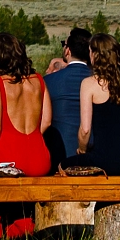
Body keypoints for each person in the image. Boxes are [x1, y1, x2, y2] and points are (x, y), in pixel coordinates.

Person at [0, 40, 54, 240]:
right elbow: (46, 121)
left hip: (9, 158)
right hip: (39, 156)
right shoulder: (38, 80)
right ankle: (23, 232)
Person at [77, 42, 120, 177]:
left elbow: (85, 130)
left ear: (96, 55)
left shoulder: (89, 83)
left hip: (104, 159)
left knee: (64, 165)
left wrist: (82, 150)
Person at [43, 30, 95, 172]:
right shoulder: (100, 82)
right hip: (94, 154)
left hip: (59, 153)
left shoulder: (49, 81)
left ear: (68, 51)